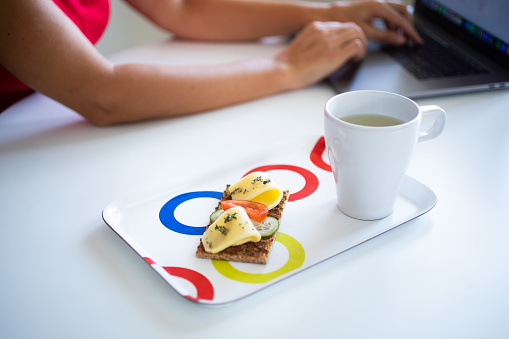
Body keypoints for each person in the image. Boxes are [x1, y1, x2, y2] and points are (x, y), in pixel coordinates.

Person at [0, 0, 421, 126]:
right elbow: (104, 94)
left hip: (39, 115)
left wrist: (329, 12)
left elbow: (181, 9)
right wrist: (286, 68)